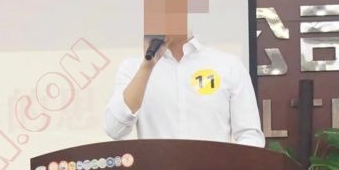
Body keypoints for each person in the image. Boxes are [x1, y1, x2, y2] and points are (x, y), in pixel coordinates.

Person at [104, 33, 265, 147]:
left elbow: (250, 136)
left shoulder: (228, 65)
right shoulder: (133, 68)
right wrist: (147, 67)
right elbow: (115, 130)